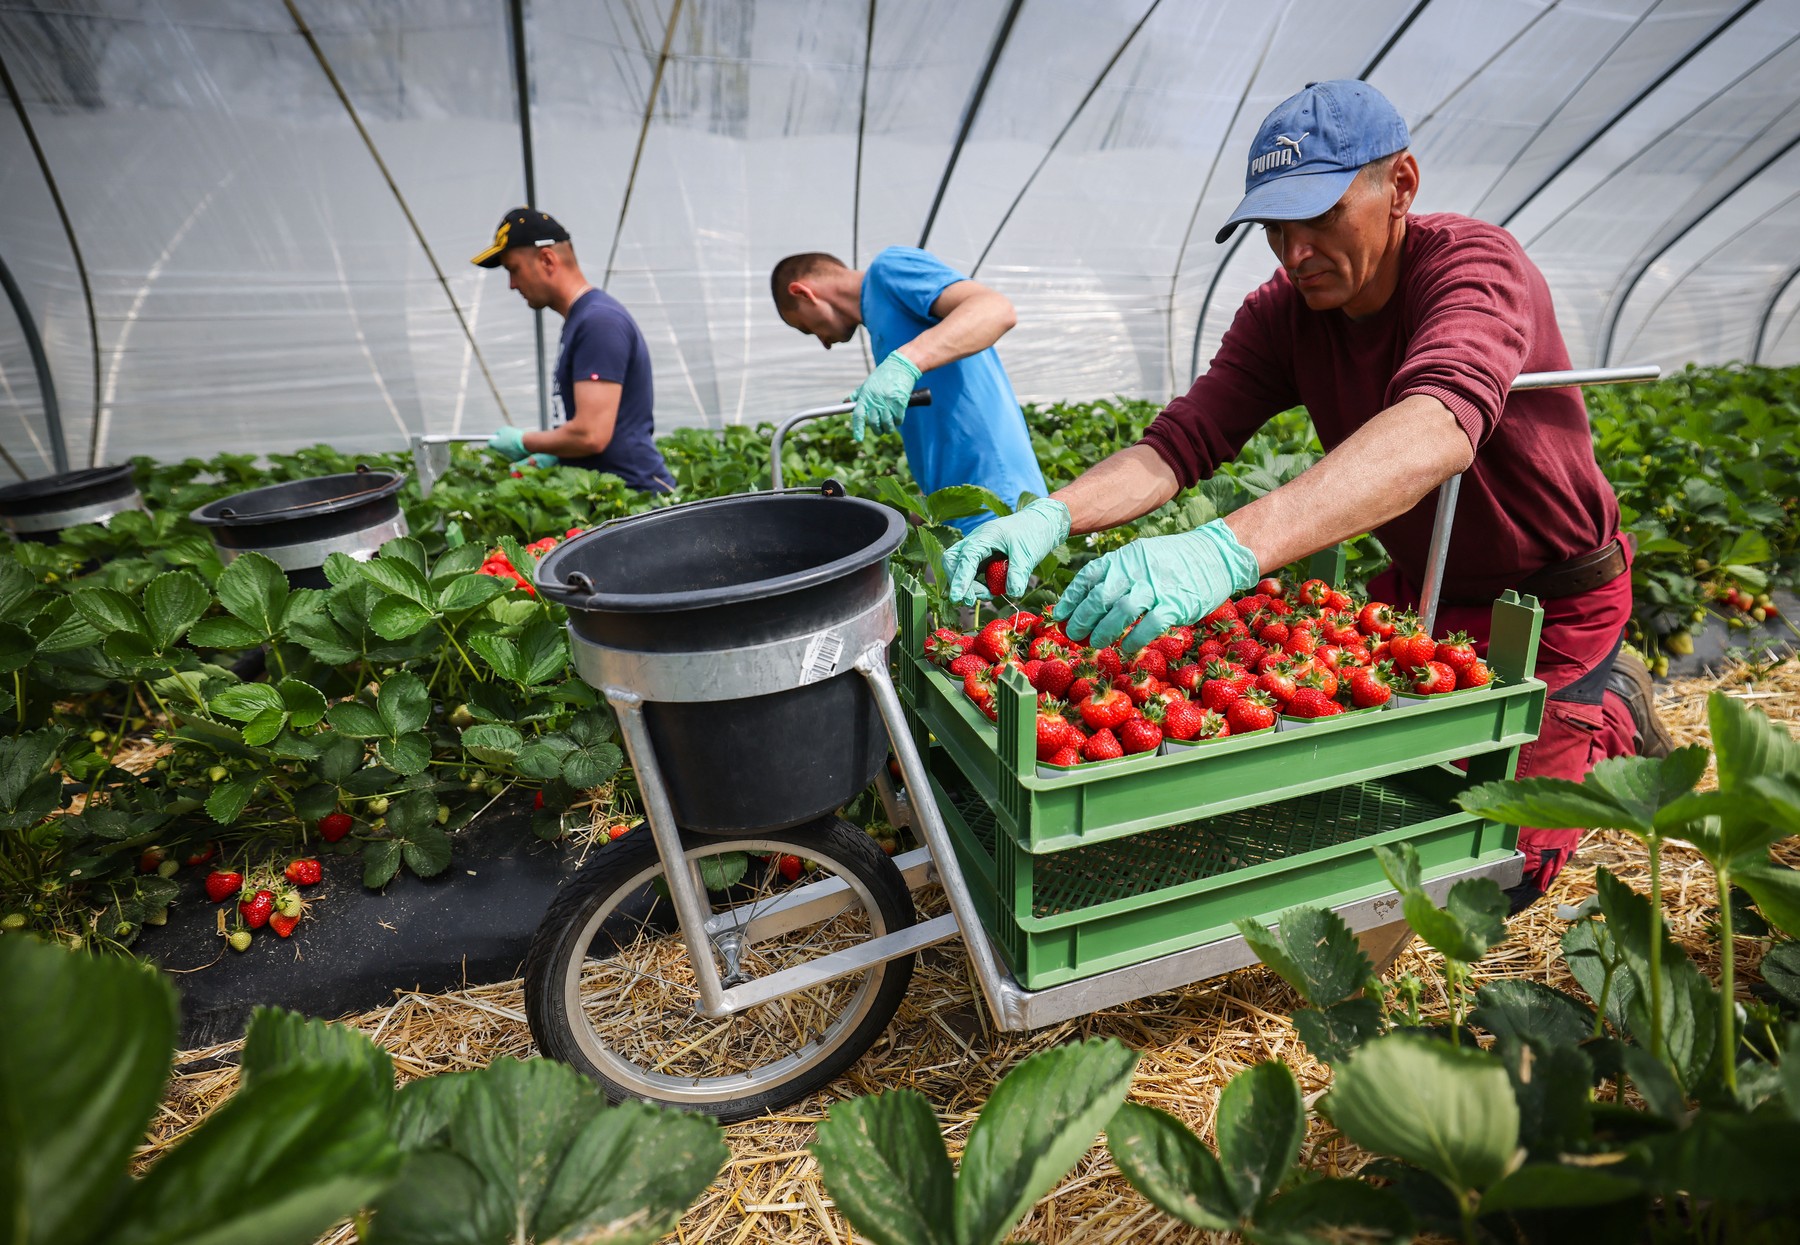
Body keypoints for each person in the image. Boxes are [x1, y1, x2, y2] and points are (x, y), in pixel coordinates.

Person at [941, 80, 1672, 908]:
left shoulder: (1474, 266)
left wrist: (1227, 547)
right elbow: (1180, 443)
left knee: (1494, 881)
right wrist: (1054, 513)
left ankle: (1605, 715)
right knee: (1378, 823)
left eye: (1320, 217)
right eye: (1275, 229)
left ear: (1400, 186)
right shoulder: (1284, 314)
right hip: (1419, 601)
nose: (1295, 251)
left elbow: (1436, 426)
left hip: (1555, 601)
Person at [770, 248, 1047, 531]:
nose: (824, 343)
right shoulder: (880, 323)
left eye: (807, 328)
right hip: (960, 511)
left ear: (803, 293)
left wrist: (906, 362)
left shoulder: (889, 269)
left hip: (998, 503)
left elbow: (996, 309)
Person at [472, 207, 674, 493]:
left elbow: (591, 434)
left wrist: (524, 441)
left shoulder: (598, 322)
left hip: (633, 500)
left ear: (547, 260)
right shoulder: (582, 320)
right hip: (610, 495)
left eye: (513, 269)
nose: (512, 284)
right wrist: (557, 452)